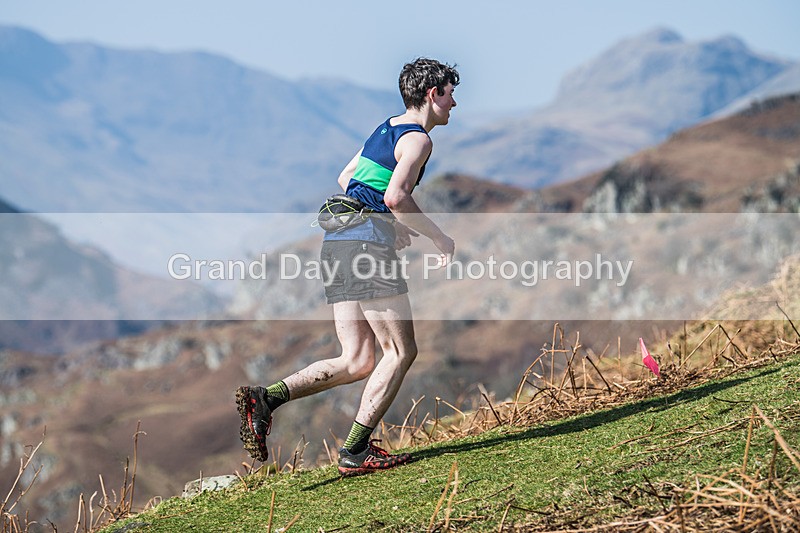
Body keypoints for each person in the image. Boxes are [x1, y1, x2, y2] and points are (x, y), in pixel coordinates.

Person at [237, 57, 459, 476]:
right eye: (450, 93)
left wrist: (385, 221)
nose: (454, 103)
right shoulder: (418, 141)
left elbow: (346, 178)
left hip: (338, 242)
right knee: (400, 350)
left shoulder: (385, 128)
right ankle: (356, 451)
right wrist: (437, 236)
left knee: (357, 359)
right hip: (367, 246)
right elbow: (395, 196)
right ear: (433, 94)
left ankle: (265, 400)